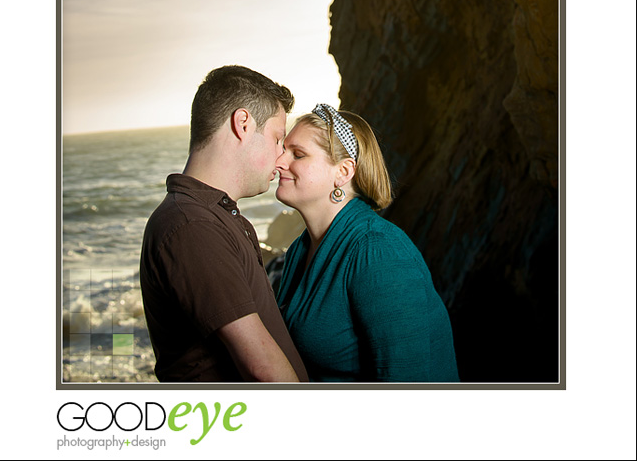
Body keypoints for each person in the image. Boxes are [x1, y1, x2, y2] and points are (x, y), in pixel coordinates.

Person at [140, 65, 308, 382]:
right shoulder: (192, 225)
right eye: (277, 138)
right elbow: (263, 370)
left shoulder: (212, 216)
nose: (281, 156)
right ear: (243, 124)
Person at [275, 104, 459, 382]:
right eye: (283, 149)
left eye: (297, 154)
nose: (279, 161)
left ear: (343, 172)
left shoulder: (377, 251)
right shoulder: (299, 251)